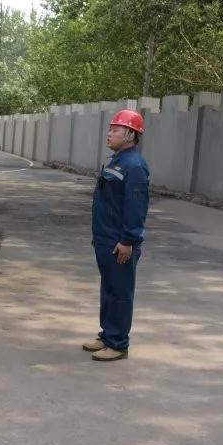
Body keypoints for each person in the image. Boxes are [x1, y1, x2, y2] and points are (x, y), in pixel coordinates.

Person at [83, 109, 150, 361]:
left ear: (130, 135)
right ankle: (107, 335)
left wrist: (128, 240)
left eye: (115, 129)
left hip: (120, 242)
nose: (109, 133)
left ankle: (118, 343)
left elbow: (136, 207)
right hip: (105, 238)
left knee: (120, 293)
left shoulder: (135, 166)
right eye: (110, 129)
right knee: (109, 289)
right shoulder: (116, 161)